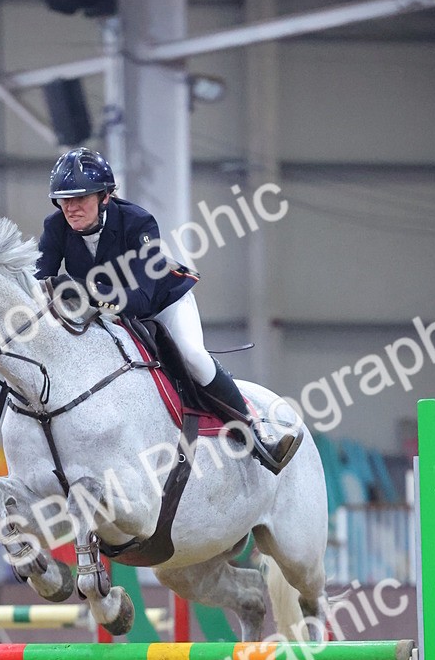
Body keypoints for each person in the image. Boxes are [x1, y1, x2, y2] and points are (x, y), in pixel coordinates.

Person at [35, 147, 300, 474]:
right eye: (64, 200)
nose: (71, 208)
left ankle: (258, 432)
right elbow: (40, 282)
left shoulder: (138, 222)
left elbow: (142, 300)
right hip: (105, 311)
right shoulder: (55, 227)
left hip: (163, 302)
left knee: (192, 356)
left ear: (104, 197)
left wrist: (83, 291)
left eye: (81, 199)